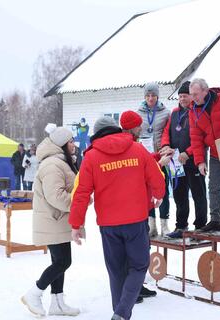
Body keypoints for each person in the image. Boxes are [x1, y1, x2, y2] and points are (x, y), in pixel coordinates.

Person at [68, 116, 165, 320]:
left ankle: (119, 314)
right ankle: (121, 313)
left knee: (116, 270)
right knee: (139, 265)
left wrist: (76, 224)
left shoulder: (91, 157)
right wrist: (158, 194)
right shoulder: (137, 150)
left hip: (109, 225)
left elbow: (81, 193)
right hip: (136, 221)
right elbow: (156, 177)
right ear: (117, 130)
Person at [21, 124, 80, 317]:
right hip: (53, 219)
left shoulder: (60, 162)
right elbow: (55, 196)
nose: (74, 144)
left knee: (60, 262)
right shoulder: (53, 165)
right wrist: (78, 202)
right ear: (63, 144)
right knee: (63, 262)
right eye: (71, 141)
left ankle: (57, 303)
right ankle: (34, 293)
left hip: (58, 220)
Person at [119, 109, 169, 301]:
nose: (141, 128)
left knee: (141, 248)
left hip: (137, 206)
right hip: (134, 207)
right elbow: (140, 171)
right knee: (136, 252)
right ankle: (131, 290)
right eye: (138, 125)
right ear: (132, 127)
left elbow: (143, 161)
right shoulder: (129, 145)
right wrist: (160, 164)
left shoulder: (132, 144)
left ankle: (137, 285)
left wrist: (157, 156)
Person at [188, 78, 220, 232]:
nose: (194, 98)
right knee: (213, 186)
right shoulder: (193, 111)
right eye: (191, 94)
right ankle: (215, 220)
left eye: (196, 94)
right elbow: (196, 137)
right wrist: (200, 161)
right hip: (215, 152)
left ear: (206, 91)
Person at [159, 81, 208, 238]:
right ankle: (181, 226)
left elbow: (202, 138)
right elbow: (166, 132)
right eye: (180, 96)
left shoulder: (198, 111)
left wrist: (188, 152)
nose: (182, 99)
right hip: (176, 162)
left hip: (194, 160)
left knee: (198, 194)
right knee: (179, 195)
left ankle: (200, 227)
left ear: (191, 96)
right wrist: (166, 146)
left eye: (185, 96)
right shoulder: (174, 113)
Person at [138, 82, 171, 237]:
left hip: (161, 156)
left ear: (158, 96)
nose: (151, 98)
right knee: (147, 191)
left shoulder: (166, 112)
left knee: (162, 189)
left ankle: (164, 224)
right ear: (145, 96)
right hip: (144, 157)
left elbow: (168, 132)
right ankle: (152, 225)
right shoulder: (139, 113)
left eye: (153, 95)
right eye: (148, 95)